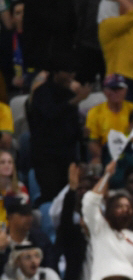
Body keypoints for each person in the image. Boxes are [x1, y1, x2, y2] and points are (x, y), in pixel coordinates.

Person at [28, 56, 89, 205]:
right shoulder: (42, 93)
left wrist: (82, 137)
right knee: (52, 196)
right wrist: (77, 100)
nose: (71, 76)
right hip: (46, 156)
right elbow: (51, 114)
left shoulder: (69, 95)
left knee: (70, 196)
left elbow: (73, 126)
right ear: (55, 73)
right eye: (67, 72)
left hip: (67, 155)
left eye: (72, 72)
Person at [82, 161, 133, 280]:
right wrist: (106, 175)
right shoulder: (100, 229)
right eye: (120, 206)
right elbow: (89, 202)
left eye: (128, 207)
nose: (125, 210)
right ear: (110, 210)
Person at [85, 74, 133, 165]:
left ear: (126, 90)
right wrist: (105, 158)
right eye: (111, 88)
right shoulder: (95, 112)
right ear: (104, 91)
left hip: (131, 152)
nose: (115, 92)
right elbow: (93, 141)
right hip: (105, 154)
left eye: (119, 88)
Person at [1, 242, 66, 280]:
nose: (34, 261)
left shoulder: (49, 274)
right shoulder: (9, 279)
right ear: (18, 261)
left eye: (37, 256)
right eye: (27, 257)